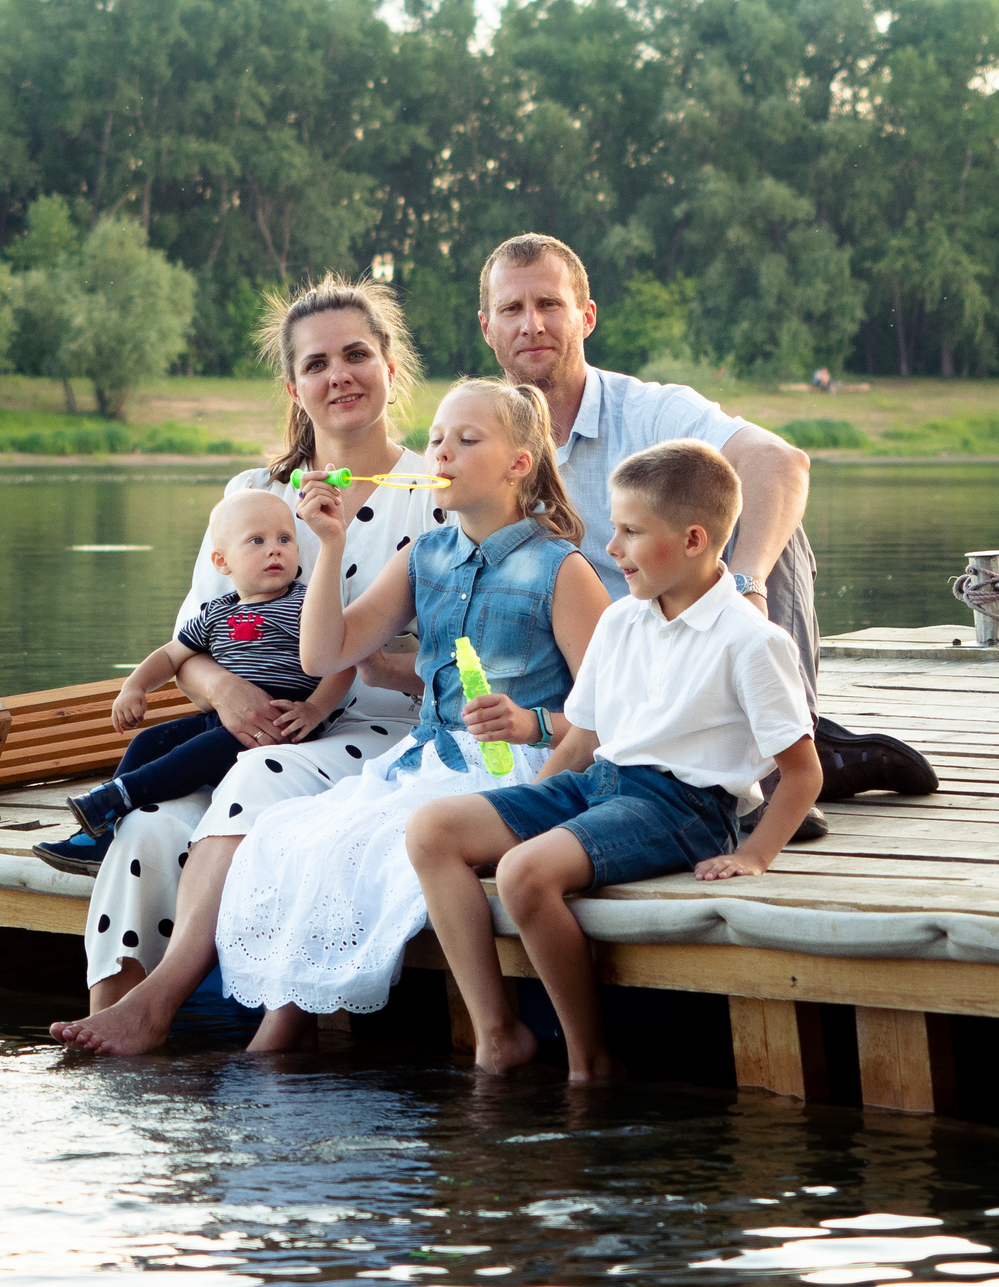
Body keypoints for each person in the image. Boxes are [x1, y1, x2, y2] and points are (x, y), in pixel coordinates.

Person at [51, 279, 437, 1055]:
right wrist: (225, 691)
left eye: (358, 354)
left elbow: (465, 661)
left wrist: (358, 670)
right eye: (318, 363)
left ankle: (158, 1008)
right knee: (151, 830)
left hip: (379, 740)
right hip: (248, 730)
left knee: (253, 783)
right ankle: (116, 1031)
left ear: (391, 367)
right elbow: (190, 642)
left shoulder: (436, 495)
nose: (341, 376)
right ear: (295, 386)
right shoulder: (255, 495)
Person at [210, 378, 610, 1046]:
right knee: (290, 834)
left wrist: (532, 724)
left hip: (528, 766)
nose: (441, 454)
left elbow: (617, 714)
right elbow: (323, 654)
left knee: (379, 841)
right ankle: (281, 1040)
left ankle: (491, 1033)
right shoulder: (424, 557)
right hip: (430, 763)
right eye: (434, 440)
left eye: (466, 439)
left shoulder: (559, 570)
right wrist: (330, 546)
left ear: (519, 464)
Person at [407, 438, 820, 1080]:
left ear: (692, 539)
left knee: (524, 875)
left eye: (630, 531)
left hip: (682, 806)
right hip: (601, 783)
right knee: (432, 829)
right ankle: (499, 1033)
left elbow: (802, 771)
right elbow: (580, 740)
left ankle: (589, 1058)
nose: (612, 547)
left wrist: (753, 854)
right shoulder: (623, 621)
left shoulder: (752, 640)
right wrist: (523, 812)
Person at [474, 233, 933, 806]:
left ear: (586, 317)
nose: (532, 324)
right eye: (512, 309)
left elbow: (781, 463)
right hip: (592, 682)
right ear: (487, 328)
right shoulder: (478, 441)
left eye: (549, 305)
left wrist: (747, 589)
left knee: (759, 520)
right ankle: (803, 757)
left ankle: (779, 769)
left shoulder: (648, 412)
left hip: (697, 654)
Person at [36, 491, 352, 870]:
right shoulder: (215, 613)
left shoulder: (305, 603)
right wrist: (134, 686)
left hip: (280, 725)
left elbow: (342, 661)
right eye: (257, 541)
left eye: (285, 540)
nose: (275, 550)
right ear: (221, 561)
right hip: (222, 719)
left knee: (202, 752)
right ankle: (98, 837)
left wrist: (314, 709)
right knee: (149, 740)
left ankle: (118, 797)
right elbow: (171, 655)